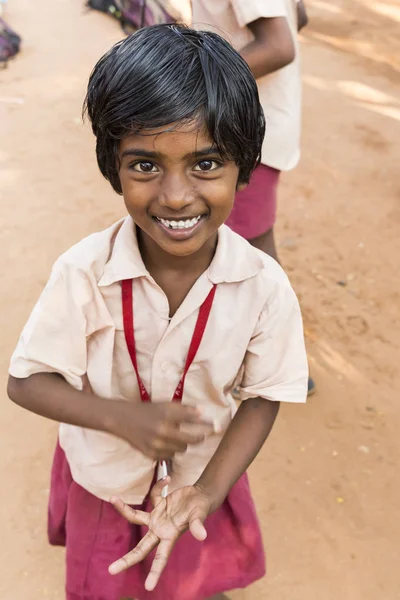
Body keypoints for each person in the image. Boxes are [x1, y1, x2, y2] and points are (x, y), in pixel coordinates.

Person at [7, 24, 308, 600]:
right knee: (107, 584)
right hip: (108, 481)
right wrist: (121, 418)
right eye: (144, 165)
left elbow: (267, 392)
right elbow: (27, 381)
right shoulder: (84, 273)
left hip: (201, 475)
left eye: (206, 163)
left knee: (199, 576)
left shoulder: (264, 286)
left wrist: (210, 490)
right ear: (112, 167)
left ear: (245, 166)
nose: (174, 195)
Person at [192, 0, 315, 394]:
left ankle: (280, 361)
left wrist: (194, 86)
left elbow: (279, 45)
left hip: (245, 133)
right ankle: (280, 356)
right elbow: (299, 16)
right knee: (251, 245)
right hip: (246, 123)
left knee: (250, 253)